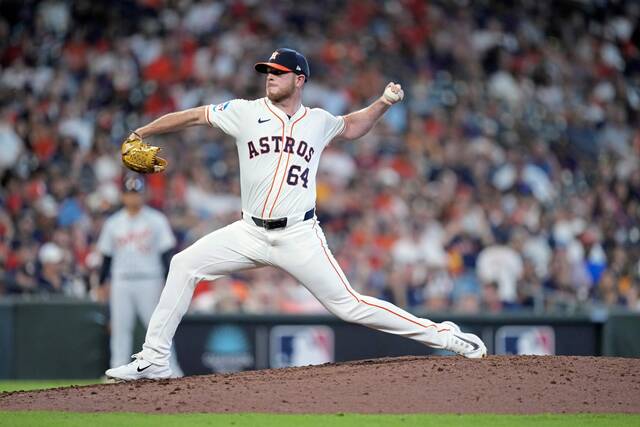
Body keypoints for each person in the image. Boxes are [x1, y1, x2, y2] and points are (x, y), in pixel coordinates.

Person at [106, 48, 486, 381]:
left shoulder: (317, 121)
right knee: (183, 265)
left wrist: (383, 103)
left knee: (349, 306)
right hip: (248, 232)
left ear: (299, 79)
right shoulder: (243, 112)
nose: (270, 77)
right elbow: (193, 116)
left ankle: (446, 336)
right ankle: (154, 359)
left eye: (278, 72)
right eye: (267, 72)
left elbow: (353, 126)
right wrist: (143, 129)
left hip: (298, 235)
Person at [98, 175, 183, 377]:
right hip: (121, 281)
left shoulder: (156, 220)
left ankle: (173, 370)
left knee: (159, 329)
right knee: (120, 329)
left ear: (143, 195)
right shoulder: (113, 223)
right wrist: (102, 283)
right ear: (123, 196)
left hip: (150, 279)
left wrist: (169, 283)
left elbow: (166, 255)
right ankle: (116, 370)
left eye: (136, 193)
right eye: (129, 193)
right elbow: (107, 257)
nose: (133, 198)